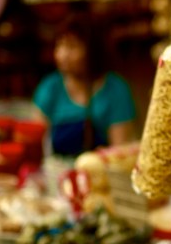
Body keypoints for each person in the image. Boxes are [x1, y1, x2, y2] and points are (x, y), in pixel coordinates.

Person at [33, 12, 137, 157]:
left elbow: (120, 150)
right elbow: (35, 142)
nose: (62, 54)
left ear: (93, 51)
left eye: (72, 47)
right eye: (60, 46)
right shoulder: (50, 88)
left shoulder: (116, 90)